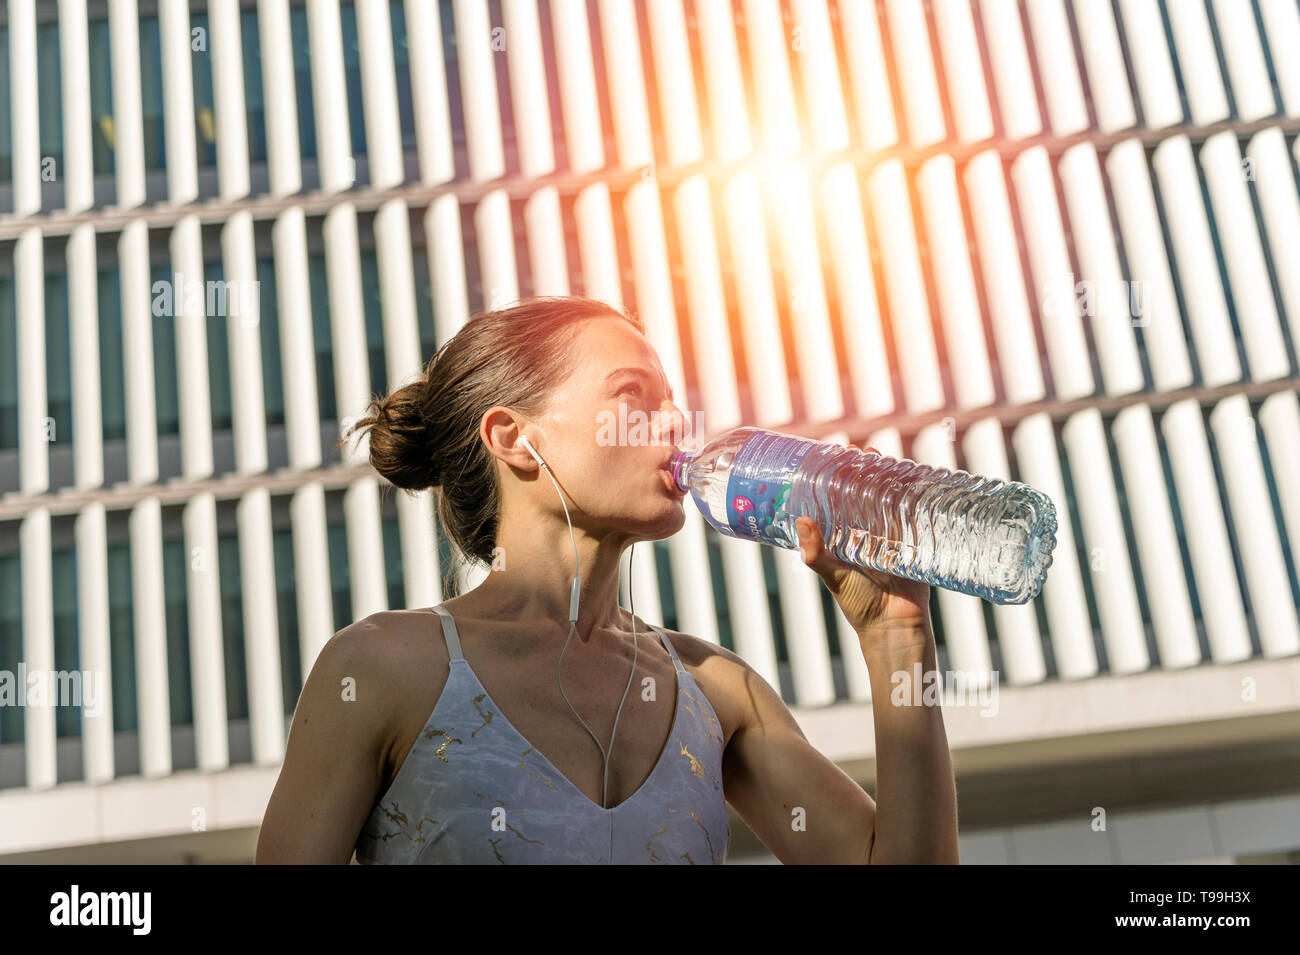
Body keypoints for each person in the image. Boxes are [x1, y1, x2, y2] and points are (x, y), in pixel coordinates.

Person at [255, 296, 958, 864]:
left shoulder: (719, 690)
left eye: (674, 402)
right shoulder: (380, 666)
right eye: (635, 396)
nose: (679, 423)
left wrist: (898, 638)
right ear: (513, 438)